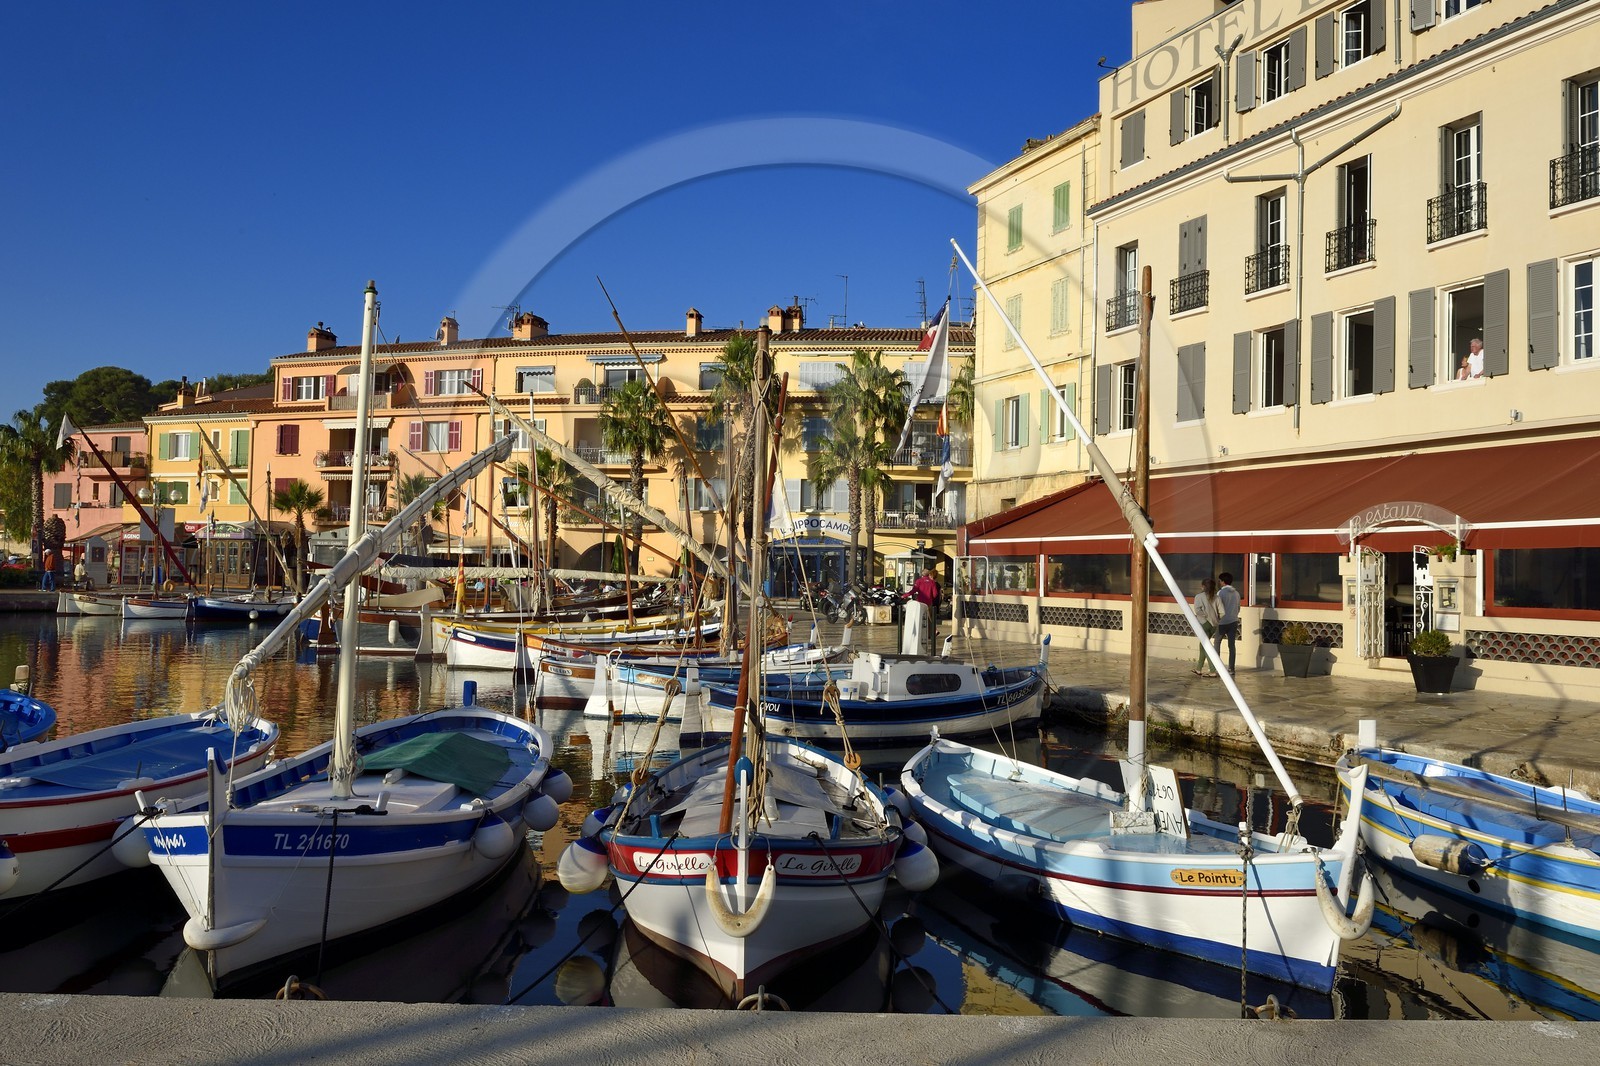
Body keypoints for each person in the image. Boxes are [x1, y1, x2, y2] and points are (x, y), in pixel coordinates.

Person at [1214, 571, 1242, 674]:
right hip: (1233, 621)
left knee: (1217, 642)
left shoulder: (1220, 593)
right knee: (1231, 645)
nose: (1219, 583)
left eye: (1220, 581)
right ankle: (1231, 668)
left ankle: (1216, 667)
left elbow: (1217, 607)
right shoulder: (1236, 593)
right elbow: (1238, 607)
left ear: (1223, 581)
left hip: (1222, 622)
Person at [1192, 577, 1220, 676]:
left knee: (1206, 646)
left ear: (1203, 587)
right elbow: (1222, 612)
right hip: (1214, 625)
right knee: (1203, 645)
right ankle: (1198, 668)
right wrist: (1216, 619)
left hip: (1204, 623)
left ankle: (1212, 670)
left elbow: (1197, 610)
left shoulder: (1199, 596)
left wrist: (1206, 616)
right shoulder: (1217, 597)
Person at [911, 567, 941, 653]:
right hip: (930, 603)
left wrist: (905, 595)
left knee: (926, 618)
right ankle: (930, 633)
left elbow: (914, 590)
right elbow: (936, 594)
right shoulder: (934, 583)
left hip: (924, 602)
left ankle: (933, 631)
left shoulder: (921, 581)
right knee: (928, 618)